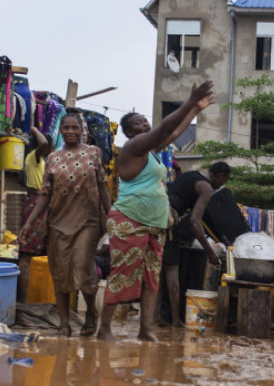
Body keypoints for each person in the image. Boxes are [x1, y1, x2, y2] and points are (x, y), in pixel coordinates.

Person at [96, 80, 214, 342]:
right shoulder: (133, 148)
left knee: (151, 278)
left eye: (145, 121)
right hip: (130, 220)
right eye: (138, 123)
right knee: (123, 275)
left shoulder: (151, 153)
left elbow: (171, 134)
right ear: (128, 131)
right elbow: (166, 127)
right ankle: (104, 328)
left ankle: (145, 329)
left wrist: (196, 109)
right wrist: (189, 101)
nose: (145, 125)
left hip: (155, 223)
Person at [19, 110, 111, 337]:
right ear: (60, 130)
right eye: (66, 128)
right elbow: (45, 195)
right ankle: (63, 323)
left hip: (88, 221)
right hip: (57, 222)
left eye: (75, 128)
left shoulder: (93, 153)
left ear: (82, 130)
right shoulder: (53, 158)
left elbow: (102, 188)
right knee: (59, 273)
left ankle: (90, 311)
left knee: (82, 265)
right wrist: (29, 223)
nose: (70, 132)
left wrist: (111, 219)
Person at [162, 161, 231, 327]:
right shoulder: (206, 188)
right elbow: (194, 222)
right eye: (225, 180)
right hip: (168, 217)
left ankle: (155, 317)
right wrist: (210, 253)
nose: (222, 185)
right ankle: (175, 320)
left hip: (155, 210)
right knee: (172, 270)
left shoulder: (190, 174)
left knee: (155, 268)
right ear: (221, 176)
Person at [17, 125, 54, 302]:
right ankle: (26, 301)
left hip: (44, 205)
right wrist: (33, 129)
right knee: (28, 253)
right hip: (35, 204)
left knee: (43, 252)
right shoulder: (34, 158)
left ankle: (40, 298)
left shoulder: (44, 162)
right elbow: (43, 142)